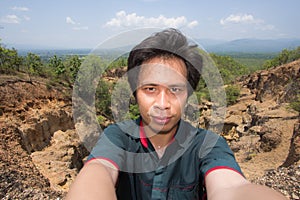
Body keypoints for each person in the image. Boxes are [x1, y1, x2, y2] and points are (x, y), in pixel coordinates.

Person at [66, 28, 286, 200]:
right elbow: (98, 171)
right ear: (135, 94)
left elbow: (231, 187)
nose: (162, 104)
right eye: (150, 89)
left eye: (175, 89)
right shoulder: (119, 137)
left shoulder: (206, 144)